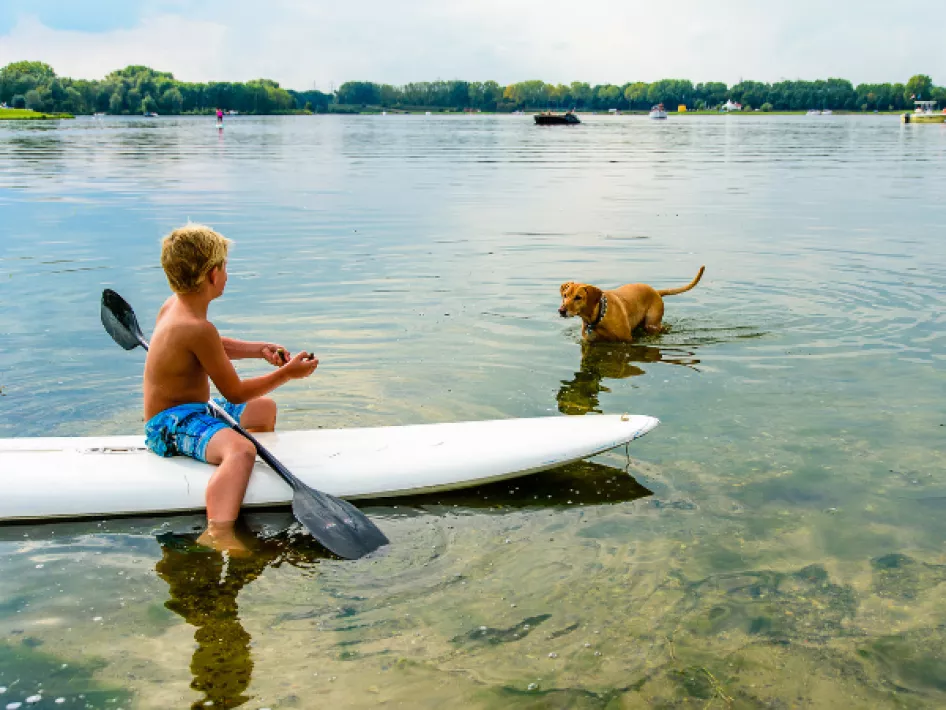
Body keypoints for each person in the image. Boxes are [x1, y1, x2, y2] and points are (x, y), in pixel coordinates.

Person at [143, 223, 319, 551]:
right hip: (172, 424)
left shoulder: (175, 308)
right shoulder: (196, 327)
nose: (227, 273)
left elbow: (212, 345)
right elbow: (235, 392)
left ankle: (242, 477)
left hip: (194, 410)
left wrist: (256, 349)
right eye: (225, 267)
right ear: (212, 275)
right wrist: (287, 375)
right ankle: (218, 531)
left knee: (264, 408)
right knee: (243, 449)